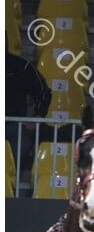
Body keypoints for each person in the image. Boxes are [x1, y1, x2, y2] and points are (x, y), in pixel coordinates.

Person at [5, 40, 51, 175]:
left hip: (15, 126)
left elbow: (43, 92)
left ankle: (9, 181)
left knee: (22, 145)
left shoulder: (21, 66)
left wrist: (37, 117)